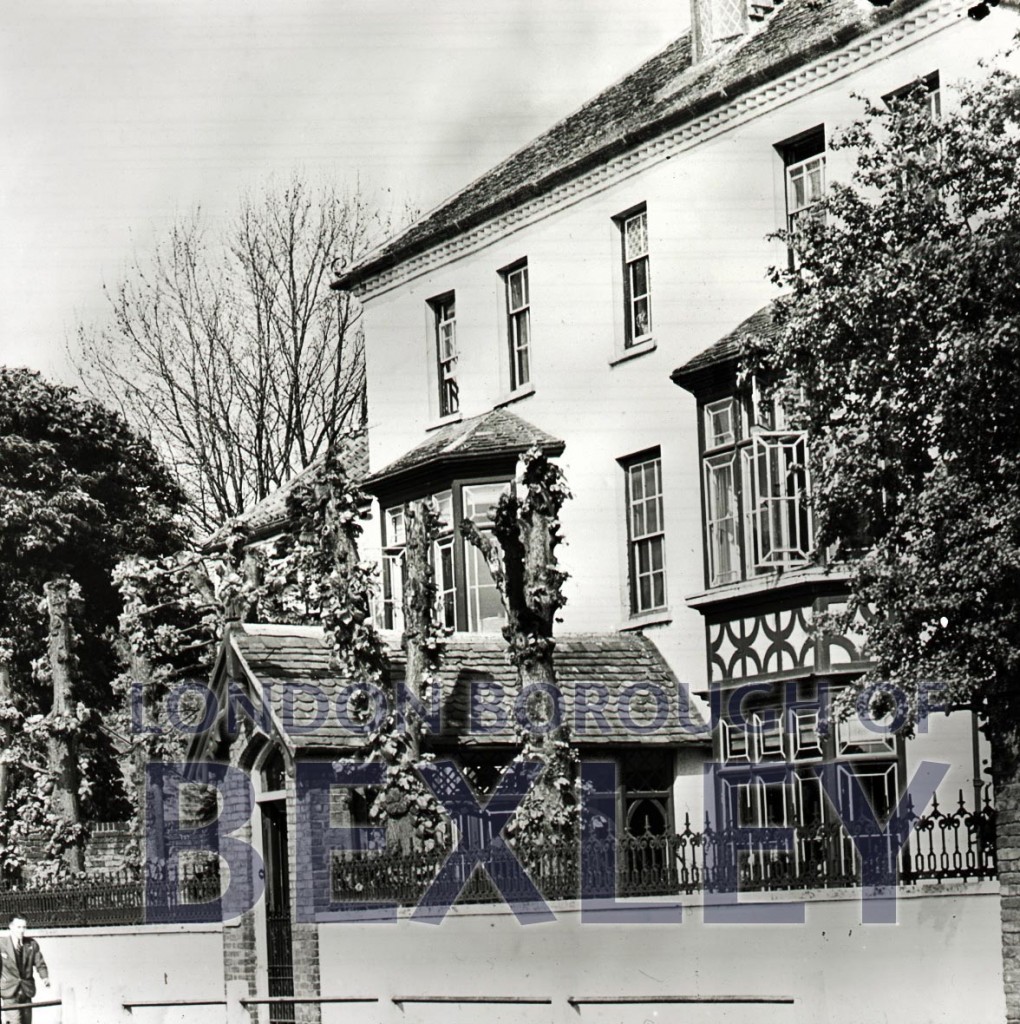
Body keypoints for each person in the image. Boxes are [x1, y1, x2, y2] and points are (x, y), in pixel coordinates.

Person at [0, 917, 49, 1024]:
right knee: (14, 1021)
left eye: (24, 927)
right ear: (10, 927)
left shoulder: (31, 944)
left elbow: (40, 963)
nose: (22, 930)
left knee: (27, 1022)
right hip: (9, 991)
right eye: (18, 927)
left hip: (27, 990)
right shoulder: (1, 944)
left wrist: (45, 977)